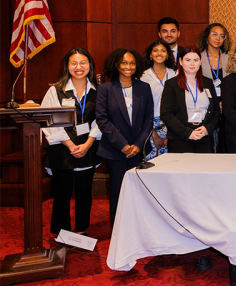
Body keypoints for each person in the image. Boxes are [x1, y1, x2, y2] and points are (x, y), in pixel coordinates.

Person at [41, 48, 101, 235]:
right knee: (62, 194)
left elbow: (102, 120)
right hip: (62, 150)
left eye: (83, 62)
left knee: (84, 193)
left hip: (87, 148)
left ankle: (82, 230)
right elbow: (47, 120)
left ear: (90, 65)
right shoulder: (55, 91)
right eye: (73, 63)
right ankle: (62, 232)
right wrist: (70, 145)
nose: (79, 67)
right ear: (67, 66)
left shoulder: (99, 91)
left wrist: (87, 144)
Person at [96, 48, 153, 225]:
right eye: (124, 63)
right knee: (118, 190)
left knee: (139, 191)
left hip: (139, 149)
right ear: (116, 65)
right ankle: (119, 227)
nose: (128, 66)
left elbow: (149, 118)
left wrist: (137, 144)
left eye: (132, 63)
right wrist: (122, 145)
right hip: (115, 150)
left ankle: (139, 226)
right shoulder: (105, 88)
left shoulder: (144, 88)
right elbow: (102, 119)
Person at [160, 46, 221, 153]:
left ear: (200, 62)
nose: (192, 64)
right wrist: (187, 132)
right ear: (181, 61)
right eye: (188, 60)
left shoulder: (208, 83)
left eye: (195, 60)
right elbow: (166, 114)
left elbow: (216, 110)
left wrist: (208, 128)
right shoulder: (171, 85)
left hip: (204, 138)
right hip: (180, 139)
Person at [197, 23, 231, 152]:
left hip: (227, 106)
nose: (218, 38)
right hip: (206, 107)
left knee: (224, 145)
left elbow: (234, 85)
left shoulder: (230, 58)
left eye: (222, 36)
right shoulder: (198, 58)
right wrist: (215, 104)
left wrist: (225, 102)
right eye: (214, 34)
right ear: (207, 36)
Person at [141, 39, 177, 161]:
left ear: (168, 54)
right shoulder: (143, 76)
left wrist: (170, 133)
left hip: (173, 123)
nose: (159, 53)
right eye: (155, 51)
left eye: (163, 50)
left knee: (171, 163)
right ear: (150, 55)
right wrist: (153, 134)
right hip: (150, 124)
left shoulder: (176, 74)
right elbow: (141, 108)